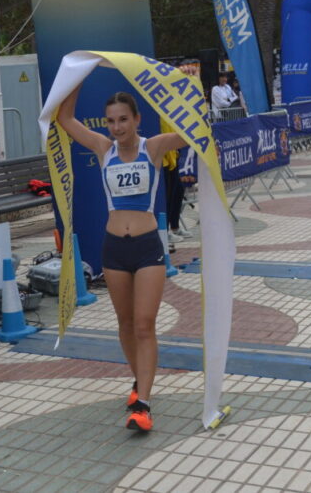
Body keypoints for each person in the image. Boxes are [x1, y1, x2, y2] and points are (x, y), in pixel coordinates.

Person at [56, 87, 186, 432]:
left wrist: (173, 92)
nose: (117, 127)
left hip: (147, 248)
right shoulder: (103, 149)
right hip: (114, 248)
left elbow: (192, 135)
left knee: (145, 324)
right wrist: (78, 79)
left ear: (137, 119)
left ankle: (143, 403)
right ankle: (138, 382)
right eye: (111, 121)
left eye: (124, 120)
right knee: (125, 324)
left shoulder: (153, 147)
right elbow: (66, 119)